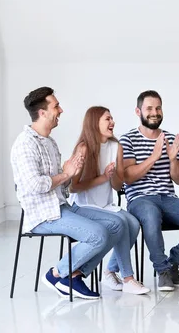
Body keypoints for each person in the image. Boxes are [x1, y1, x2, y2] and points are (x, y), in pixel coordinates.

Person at [11, 87, 123, 300]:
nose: (60, 110)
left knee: (116, 225)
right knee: (98, 234)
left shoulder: (50, 143)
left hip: (61, 207)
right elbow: (35, 185)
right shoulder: (25, 144)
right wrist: (65, 174)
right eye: (56, 106)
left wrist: (71, 174)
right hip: (42, 215)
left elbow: (63, 188)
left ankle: (73, 275)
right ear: (43, 113)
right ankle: (56, 274)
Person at [121, 90, 179, 291]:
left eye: (158, 108)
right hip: (140, 199)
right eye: (149, 108)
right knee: (151, 215)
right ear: (138, 111)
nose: (155, 112)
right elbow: (127, 177)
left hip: (168, 198)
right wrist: (154, 156)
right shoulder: (127, 139)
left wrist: (172, 158)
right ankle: (162, 270)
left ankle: (172, 263)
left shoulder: (170, 138)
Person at [69, 106, 150, 295]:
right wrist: (103, 177)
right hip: (83, 205)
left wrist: (114, 176)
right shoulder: (84, 148)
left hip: (105, 205)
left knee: (134, 223)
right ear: (94, 122)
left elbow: (116, 186)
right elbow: (73, 187)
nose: (112, 122)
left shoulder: (116, 146)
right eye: (107, 119)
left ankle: (109, 271)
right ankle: (128, 278)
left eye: (112, 118)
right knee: (121, 222)